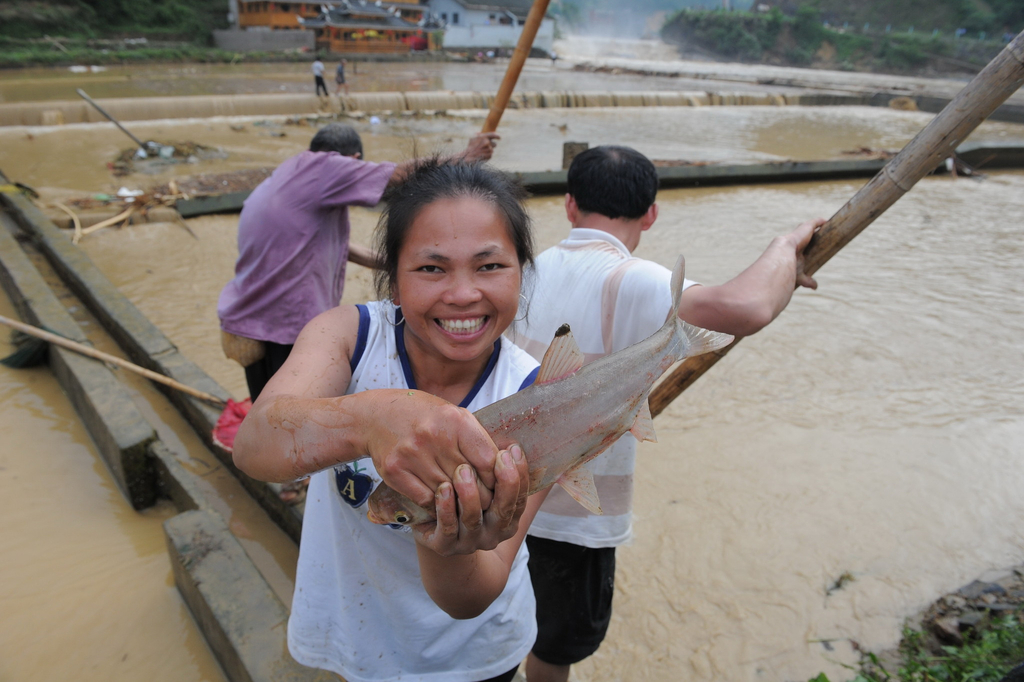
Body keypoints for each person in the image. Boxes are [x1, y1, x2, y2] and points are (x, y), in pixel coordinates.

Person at [508, 145, 824, 682]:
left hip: (504, 496)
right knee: (555, 650)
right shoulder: (632, 280)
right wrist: (785, 249)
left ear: (568, 205)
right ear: (651, 213)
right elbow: (746, 307)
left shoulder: (522, 271)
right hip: (573, 517)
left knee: (502, 629)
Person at [232, 159, 549, 682]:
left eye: (490, 266)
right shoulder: (350, 338)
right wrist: (374, 418)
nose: (464, 293)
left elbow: (472, 596)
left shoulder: (534, 398)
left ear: (522, 274)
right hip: (351, 635)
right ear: (394, 282)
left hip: (474, 655)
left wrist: (443, 540)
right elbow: (255, 445)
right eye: (431, 268)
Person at [217, 123, 499, 403]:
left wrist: (409, 266)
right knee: (290, 417)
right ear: (351, 161)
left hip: (250, 316)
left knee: (264, 409)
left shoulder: (293, 175)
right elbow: (400, 173)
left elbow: (339, 247)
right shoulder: (328, 167)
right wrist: (467, 156)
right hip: (285, 324)